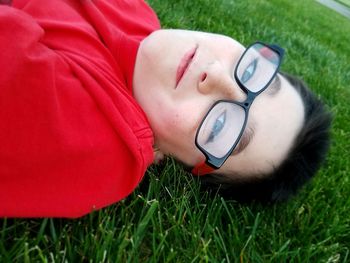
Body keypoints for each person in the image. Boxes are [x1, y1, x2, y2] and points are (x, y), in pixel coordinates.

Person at [0, 0, 331, 218]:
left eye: (221, 127)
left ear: (172, 160)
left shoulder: (101, 143)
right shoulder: (139, 17)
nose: (215, 76)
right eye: (251, 72)